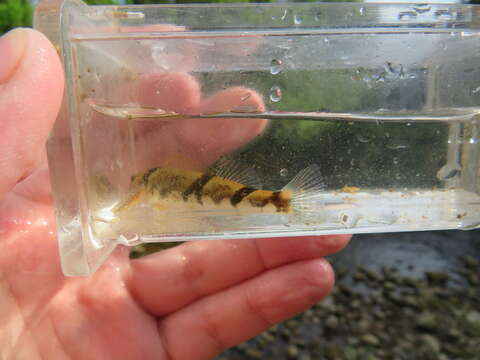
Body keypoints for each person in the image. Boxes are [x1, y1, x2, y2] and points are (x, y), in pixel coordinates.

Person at [0, 28, 350, 359]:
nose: (135, 186)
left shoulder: (149, 185)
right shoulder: (148, 186)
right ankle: (283, 202)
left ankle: (284, 201)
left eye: (139, 182)